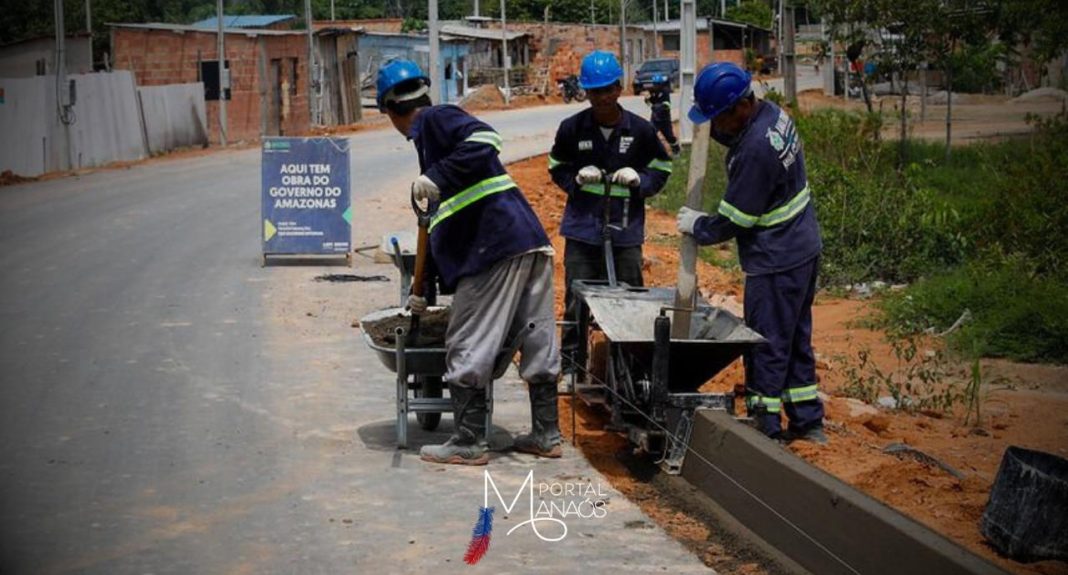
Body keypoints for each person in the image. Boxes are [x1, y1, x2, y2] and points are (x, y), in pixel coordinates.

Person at [376, 59, 562, 465]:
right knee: (537, 337)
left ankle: (468, 440)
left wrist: (437, 175)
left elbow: (486, 139)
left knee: (467, 340)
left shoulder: (434, 120)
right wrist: (423, 289)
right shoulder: (432, 139)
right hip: (527, 242)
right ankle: (547, 434)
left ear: (391, 110)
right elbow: (444, 221)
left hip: (493, 248)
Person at [675, 62, 826, 444]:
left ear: (740, 107)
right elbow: (737, 138)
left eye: (717, 118)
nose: (715, 126)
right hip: (802, 247)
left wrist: (697, 225)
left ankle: (766, 428)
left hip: (777, 259)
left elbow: (734, 220)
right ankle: (808, 422)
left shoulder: (756, 151)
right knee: (794, 337)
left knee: (767, 343)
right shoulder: (773, 114)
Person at [548, 50, 673, 378]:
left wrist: (640, 181)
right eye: (594, 91)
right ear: (586, 93)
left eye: (607, 90)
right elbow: (556, 166)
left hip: (625, 229)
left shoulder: (641, 131)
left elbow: (662, 166)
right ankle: (573, 367)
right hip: (583, 229)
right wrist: (575, 180)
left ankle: (632, 370)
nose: (602, 98)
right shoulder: (572, 129)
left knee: (629, 299)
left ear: (619, 89)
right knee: (578, 300)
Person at [645, 73, 680, 154]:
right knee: (651, 134)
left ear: (661, 84)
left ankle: (676, 151)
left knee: (670, 137)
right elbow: (651, 103)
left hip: (664, 120)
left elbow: (667, 105)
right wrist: (647, 100)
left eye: (657, 84)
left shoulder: (665, 92)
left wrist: (657, 106)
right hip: (655, 119)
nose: (655, 86)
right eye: (654, 84)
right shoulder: (653, 92)